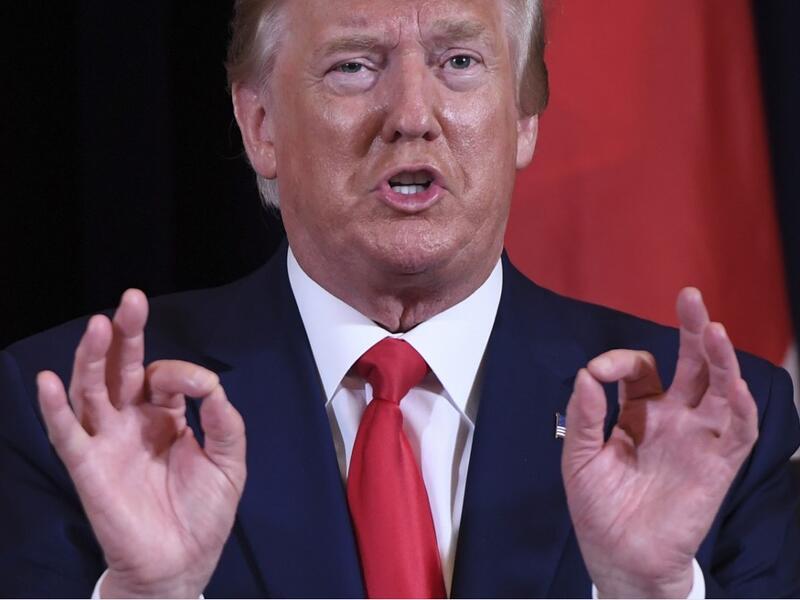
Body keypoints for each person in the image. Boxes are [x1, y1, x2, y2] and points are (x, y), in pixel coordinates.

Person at [1, 0, 799, 597]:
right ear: (260, 128)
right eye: (354, 65)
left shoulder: (716, 431)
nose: (413, 117)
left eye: (458, 61)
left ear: (523, 120)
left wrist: (648, 594)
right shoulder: (71, 421)